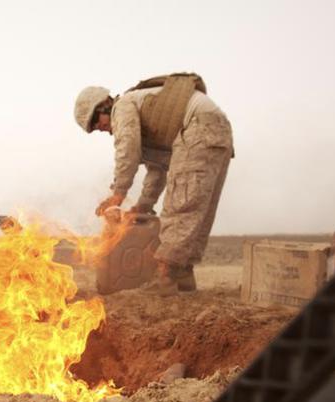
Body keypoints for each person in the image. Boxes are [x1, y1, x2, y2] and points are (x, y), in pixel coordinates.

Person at [74, 73, 234, 296]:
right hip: (218, 132)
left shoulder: (123, 106)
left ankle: (165, 277)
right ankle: (183, 276)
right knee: (198, 207)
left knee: (181, 205)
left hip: (199, 128)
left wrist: (118, 194)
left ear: (104, 105)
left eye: (95, 122)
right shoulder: (150, 120)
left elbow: (127, 149)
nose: (100, 129)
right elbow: (157, 171)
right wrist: (142, 205)